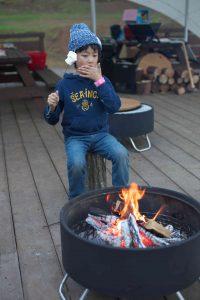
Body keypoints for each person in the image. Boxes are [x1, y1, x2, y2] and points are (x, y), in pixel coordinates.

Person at [44, 23, 129, 200]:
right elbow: (52, 119)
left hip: (101, 135)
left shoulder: (102, 80)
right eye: (85, 55)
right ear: (74, 58)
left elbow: (114, 106)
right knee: (76, 164)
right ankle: (76, 200)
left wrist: (99, 81)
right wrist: (51, 107)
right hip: (76, 137)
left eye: (94, 55)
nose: (90, 60)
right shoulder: (64, 84)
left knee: (121, 154)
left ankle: (121, 197)